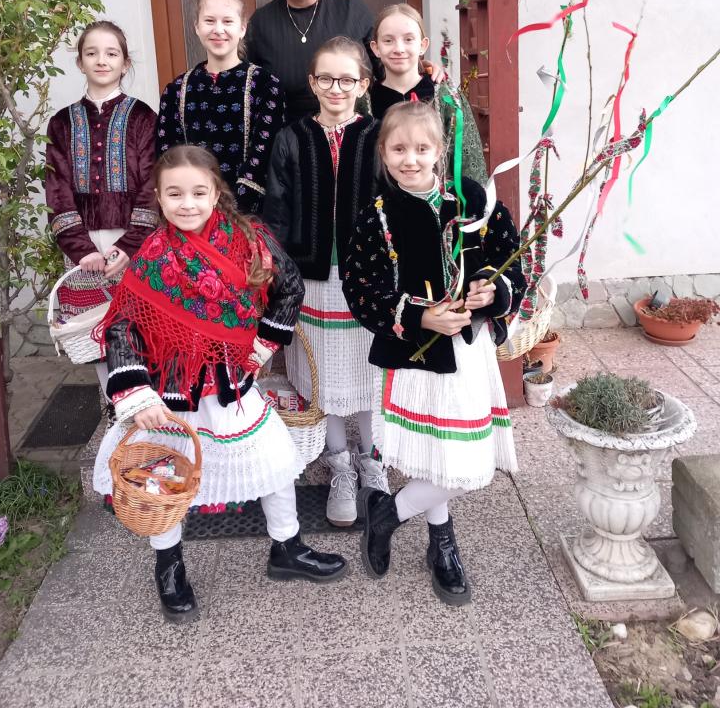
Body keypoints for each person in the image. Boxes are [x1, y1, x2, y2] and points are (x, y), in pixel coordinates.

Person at [93, 145, 347, 622]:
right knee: (163, 480)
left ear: (216, 194)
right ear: (159, 199)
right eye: (174, 194)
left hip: (232, 383)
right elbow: (123, 325)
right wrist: (136, 394)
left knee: (275, 463)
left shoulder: (249, 239)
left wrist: (264, 345)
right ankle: (169, 566)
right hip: (170, 394)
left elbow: (289, 287)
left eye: (197, 192)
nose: (187, 203)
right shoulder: (152, 255)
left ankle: (287, 546)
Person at [342, 101, 525, 605]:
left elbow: (511, 259)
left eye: (422, 148)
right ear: (383, 153)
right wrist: (422, 318)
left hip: (467, 355)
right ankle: (441, 540)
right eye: (399, 149)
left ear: (441, 151)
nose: (411, 159)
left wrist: (492, 288)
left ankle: (390, 512)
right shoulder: (376, 219)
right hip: (414, 357)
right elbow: (361, 290)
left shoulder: (473, 204)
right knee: (434, 456)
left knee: (466, 465)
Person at [263, 35, 388, 527]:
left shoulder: (378, 135)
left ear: (364, 84)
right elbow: (275, 210)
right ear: (312, 82)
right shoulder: (291, 137)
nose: (337, 88)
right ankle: (339, 464)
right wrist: (280, 271)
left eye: (348, 79)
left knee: (367, 371)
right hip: (310, 277)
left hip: (368, 278)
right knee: (326, 375)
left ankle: (372, 462)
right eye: (327, 79)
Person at [45, 21, 159, 391]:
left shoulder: (143, 117)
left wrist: (130, 245)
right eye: (91, 53)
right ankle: (112, 409)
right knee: (93, 333)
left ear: (125, 63)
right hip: (84, 247)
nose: (101, 60)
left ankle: (148, 409)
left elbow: (152, 185)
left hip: (133, 243)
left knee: (140, 329)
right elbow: (57, 189)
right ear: (80, 62)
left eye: (111, 53)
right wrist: (81, 250)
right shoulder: (61, 122)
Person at [246, 0, 444, 122]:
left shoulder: (351, 8)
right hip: (288, 136)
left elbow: (383, 64)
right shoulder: (260, 24)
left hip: (353, 133)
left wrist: (418, 68)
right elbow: (247, 86)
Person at [155, 0, 284, 214]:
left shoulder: (266, 86)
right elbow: (168, 154)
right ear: (196, 27)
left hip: (247, 213)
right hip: (191, 212)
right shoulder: (176, 90)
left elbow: (263, 155)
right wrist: (194, 203)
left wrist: (232, 209)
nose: (218, 29)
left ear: (242, 28)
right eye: (209, 21)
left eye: (227, 21)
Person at [368, 3, 487, 185]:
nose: (399, 48)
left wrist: (471, 198)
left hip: (437, 198)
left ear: (423, 45)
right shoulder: (365, 101)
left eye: (408, 39)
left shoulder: (447, 98)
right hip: (379, 199)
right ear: (376, 48)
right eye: (388, 40)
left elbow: (469, 162)